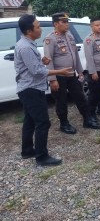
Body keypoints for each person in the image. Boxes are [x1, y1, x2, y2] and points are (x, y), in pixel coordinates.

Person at [15, 14, 74, 166]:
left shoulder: (28, 43)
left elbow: (32, 66)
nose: (40, 29)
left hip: (30, 88)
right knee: (42, 122)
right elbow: (37, 72)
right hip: (31, 89)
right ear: (29, 30)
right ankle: (42, 156)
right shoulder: (26, 47)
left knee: (30, 120)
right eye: (38, 26)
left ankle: (27, 150)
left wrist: (42, 61)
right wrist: (59, 72)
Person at [43, 12, 100, 134]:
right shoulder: (50, 39)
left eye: (67, 21)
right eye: (63, 22)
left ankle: (87, 120)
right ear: (55, 24)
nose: (66, 24)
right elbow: (48, 60)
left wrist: (79, 71)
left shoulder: (69, 36)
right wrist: (52, 79)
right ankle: (64, 124)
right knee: (61, 101)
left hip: (71, 75)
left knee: (80, 97)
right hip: (59, 77)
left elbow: (75, 56)